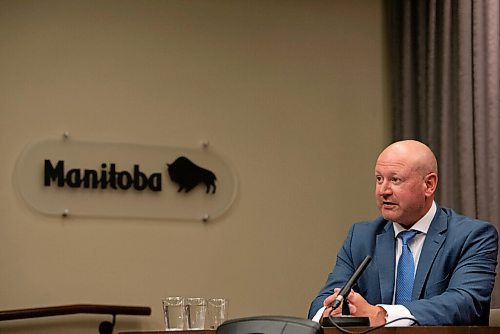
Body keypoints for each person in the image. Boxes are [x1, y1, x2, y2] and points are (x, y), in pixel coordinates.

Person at [308, 140, 498, 326]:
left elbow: (465, 302)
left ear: (429, 185)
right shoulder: (361, 237)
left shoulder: (472, 236)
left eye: (395, 180)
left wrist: (384, 315)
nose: (383, 190)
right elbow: (324, 300)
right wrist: (331, 310)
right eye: (379, 179)